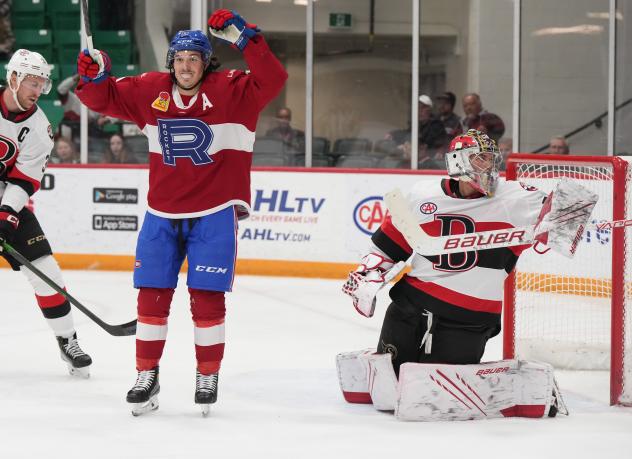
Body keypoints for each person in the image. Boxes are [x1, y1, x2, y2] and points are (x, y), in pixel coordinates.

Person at [76, 10, 287, 415]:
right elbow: (101, 98)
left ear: (206, 62)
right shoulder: (149, 90)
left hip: (214, 211)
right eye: (179, 58)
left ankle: (207, 373)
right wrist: (94, 74)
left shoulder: (233, 89)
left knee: (207, 299)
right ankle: (146, 375)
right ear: (170, 61)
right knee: (151, 298)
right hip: (162, 212)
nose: (185, 66)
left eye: (194, 58)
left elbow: (274, 78)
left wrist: (245, 37)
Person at [340, 129, 565, 420]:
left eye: (490, 159)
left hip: (469, 317)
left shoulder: (516, 197)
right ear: (458, 161)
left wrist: (564, 217)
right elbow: (389, 246)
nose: (488, 167)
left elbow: (564, 217)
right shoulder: (422, 196)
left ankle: (517, 390)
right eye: (480, 159)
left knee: (434, 397)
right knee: (389, 390)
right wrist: (368, 275)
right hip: (411, 305)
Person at [0, 49, 92, 377]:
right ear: (13, 78)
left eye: (41, 84)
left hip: (6, 199)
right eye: (31, 83)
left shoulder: (40, 128)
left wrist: (6, 216)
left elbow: (24, 179)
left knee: (46, 273)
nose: (37, 91)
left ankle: (68, 340)